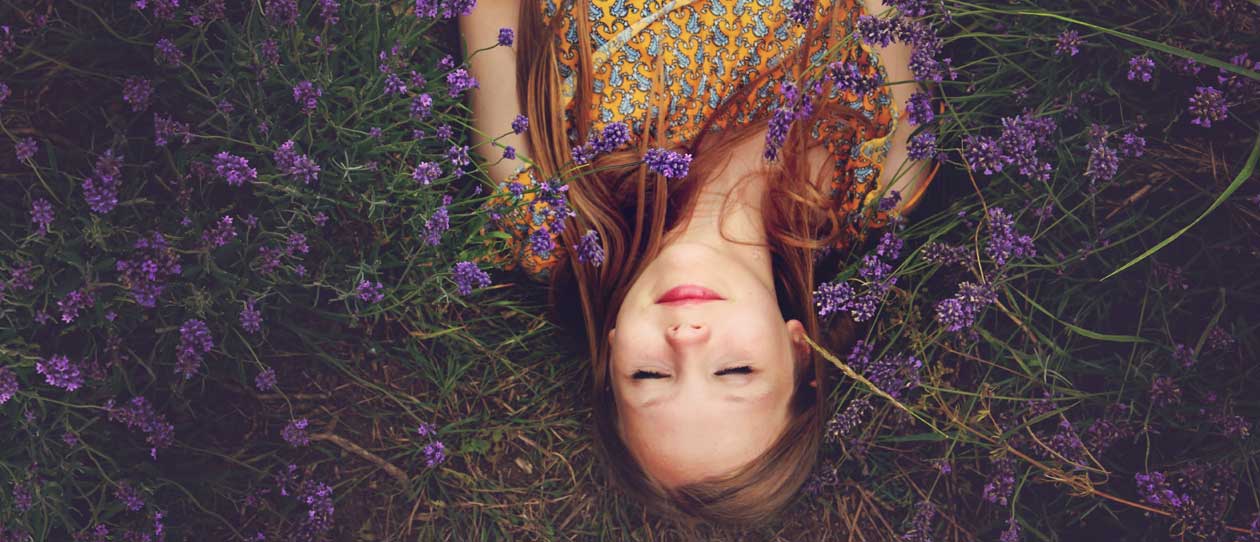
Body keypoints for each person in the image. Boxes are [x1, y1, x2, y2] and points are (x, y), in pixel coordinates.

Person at [459, 0, 937, 527]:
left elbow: (487, 16)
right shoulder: (882, 178)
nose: (686, 339)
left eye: (649, 375)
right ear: (799, 352)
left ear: (613, 353)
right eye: (735, 370)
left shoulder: (548, 217)